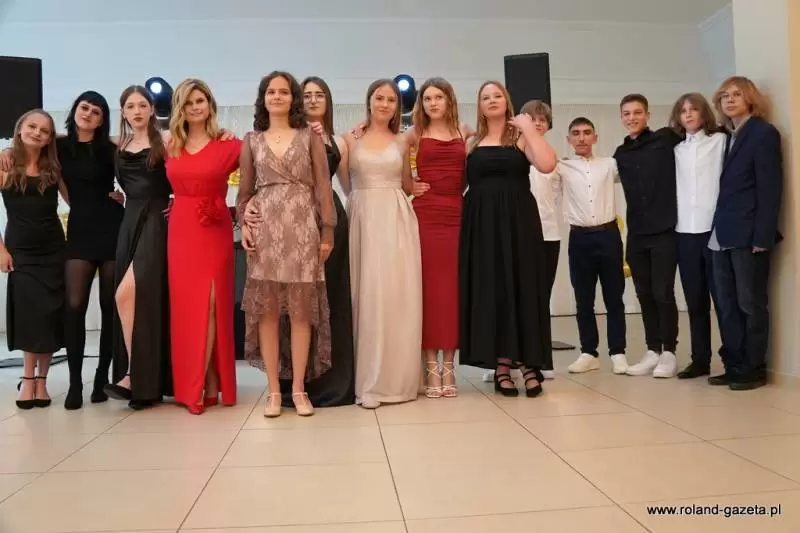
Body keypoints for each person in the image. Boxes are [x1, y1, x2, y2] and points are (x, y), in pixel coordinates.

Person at [237, 71, 337, 418]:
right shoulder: (251, 140)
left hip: (302, 227)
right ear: (263, 98)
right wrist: (244, 222)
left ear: (293, 98)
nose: (277, 96)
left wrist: (328, 230)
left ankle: (298, 388)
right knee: (266, 312)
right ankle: (274, 391)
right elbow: (244, 192)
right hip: (265, 231)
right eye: (271, 91)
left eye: (283, 91)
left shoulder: (309, 136)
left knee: (301, 312)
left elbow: (323, 186)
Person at [459, 81, 557, 398]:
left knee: (523, 287)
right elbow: (456, 182)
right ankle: (502, 364)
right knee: (494, 290)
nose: (491, 100)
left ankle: (529, 364)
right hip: (481, 223)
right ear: (479, 104)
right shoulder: (471, 141)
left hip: (519, 221)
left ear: (507, 100)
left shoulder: (521, 137)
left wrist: (529, 129)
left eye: (497, 95)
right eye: (485, 97)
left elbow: (547, 164)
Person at [338, 79, 423, 409]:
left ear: (397, 106)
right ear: (369, 101)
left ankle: (397, 380)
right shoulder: (350, 138)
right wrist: (361, 201)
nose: (385, 104)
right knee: (366, 294)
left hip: (396, 217)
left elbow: (407, 182)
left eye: (391, 99)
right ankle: (367, 381)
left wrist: (422, 188)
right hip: (362, 214)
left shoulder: (404, 140)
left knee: (395, 294)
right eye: (379, 98)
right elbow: (346, 184)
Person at [165, 78, 242, 414]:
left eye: (200, 101)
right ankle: (201, 383)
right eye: (188, 102)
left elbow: (262, 167)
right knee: (187, 308)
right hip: (181, 228)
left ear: (210, 105)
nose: (195, 107)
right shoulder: (169, 144)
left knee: (211, 303)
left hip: (214, 228)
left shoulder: (229, 145)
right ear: (179, 109)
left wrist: (247, 207)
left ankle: (203, 385)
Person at [708, 76, 782, 391]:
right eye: (724, 95)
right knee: (726, 305)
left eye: (737, 94)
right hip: (721, 234)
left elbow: (770, 188)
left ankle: (753, 368)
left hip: (749, 235)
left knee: (750, 304)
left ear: (750, 98)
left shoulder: (763, 133)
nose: (729, 99)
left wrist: (763, 237)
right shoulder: (726, 137)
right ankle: (734, 365)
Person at [103, 86, 173, 409]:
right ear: (123, 112)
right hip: (128, 221)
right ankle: (140, 380)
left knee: (127, 293)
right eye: (130, 106)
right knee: (134, 298)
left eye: (142, 105)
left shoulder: (167, 140)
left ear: (152, 108)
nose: (137, 111)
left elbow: (185, 172)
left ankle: (133, 374)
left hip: (156, 220)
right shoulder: (118, 145)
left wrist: (178, 200)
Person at [404, 77, 472, 397]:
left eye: (438, 97)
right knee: (429, 291)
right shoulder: (415, 133)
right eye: (427, 98)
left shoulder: (465, 131)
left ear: (449, 101)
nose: (433, 103)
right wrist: (410, 185)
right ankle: (431, 365)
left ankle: (450, 364)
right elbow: (388, 155)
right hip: (426, 215)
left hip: (456, 214)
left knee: (452, 291)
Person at [0, 110, 67, 409]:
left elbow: (77, 201)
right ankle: (28, 379)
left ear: (51, 137)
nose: (37, 133)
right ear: (19, 128)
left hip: (54, 250)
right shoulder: (4, 164)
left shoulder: (54, 168)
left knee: (50, 315)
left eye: (45, 130)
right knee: (30, 315)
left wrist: (113, 199)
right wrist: (1, 250)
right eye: (32, 126)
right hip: (21, 251)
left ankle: (42, 380)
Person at [553, 117, 629, 375]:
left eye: (587, 132)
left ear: (595, 137)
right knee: (583, 298)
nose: (582, 137)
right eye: (576, 133)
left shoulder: (610, 164)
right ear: (569, 139)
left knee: (614, 297)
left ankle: (618, 352)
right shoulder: (561, 167)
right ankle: (588, 352)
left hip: (608, 235)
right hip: (579, 238)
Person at [613, 93, 682, 378]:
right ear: (621, 118)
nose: (632, 118)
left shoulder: (666, 139)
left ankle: (669, 352)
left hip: (665, 229)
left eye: (637, 112)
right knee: (643, 293)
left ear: (647, 115)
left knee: (663, 293)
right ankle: (653, 350)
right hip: (637, 233)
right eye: (627, 114)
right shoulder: (621, 153)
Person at [669, 93, 727, 379]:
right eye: (683, 111)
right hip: (684, 232)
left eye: (694, 109)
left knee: (723, 299)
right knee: (695, 301)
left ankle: (732, 361)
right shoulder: (676, 149)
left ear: (704, 113)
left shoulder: (720, 141)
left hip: (714, 230)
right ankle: (700, 359)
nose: (689, 115)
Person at [520, 100, 561, 380]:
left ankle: (541, 360)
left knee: (540, 300)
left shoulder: (553, 159)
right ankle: (508, 360)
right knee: (516, 298)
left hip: (548, 235)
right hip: (520, 235)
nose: (537, 123)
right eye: (532, 118)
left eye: (542, 120)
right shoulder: (514, 153)